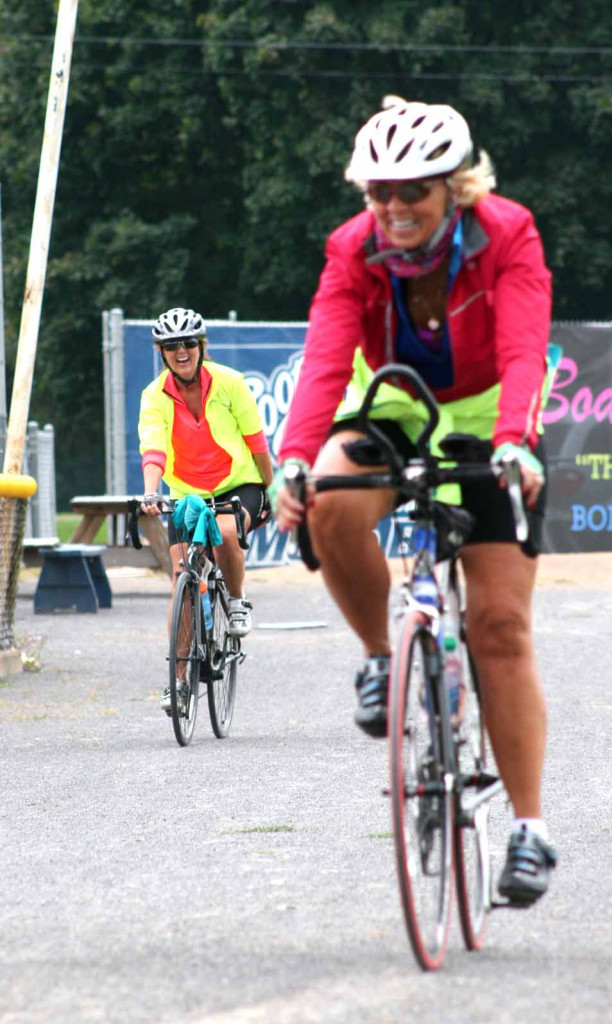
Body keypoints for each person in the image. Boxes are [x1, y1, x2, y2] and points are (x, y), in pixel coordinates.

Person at [269, 98, 557, 907]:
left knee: (499, 625)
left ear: (455, 187)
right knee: (327, 496)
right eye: (377, 192)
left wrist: (511, 438)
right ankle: (378, 656)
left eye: (414, 191)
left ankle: (530, 829)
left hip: (490, 415)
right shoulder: (351, 248)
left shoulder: (506, 232)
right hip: (396, 401)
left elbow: (524, 340)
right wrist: (293, 458)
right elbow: (327, 349)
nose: (394, 208)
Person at [138, 307, 273, 712]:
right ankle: (178, 683)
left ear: (201, 346)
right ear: (161, 352)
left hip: (239, 484)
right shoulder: (154, 395)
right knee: (182, 577)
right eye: (171, 346)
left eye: (188, 343)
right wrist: (150, 493)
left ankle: (235, 600)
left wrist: (269, 490)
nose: (181, 351)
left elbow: (257, 442)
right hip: (188, 494)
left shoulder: (229, 383)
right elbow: (153, 447)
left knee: (227, 533)